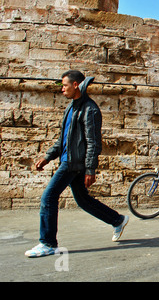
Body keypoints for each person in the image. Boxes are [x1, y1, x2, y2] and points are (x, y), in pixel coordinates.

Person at [25, 70, 129, 258]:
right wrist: (48, 157)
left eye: (65, 85)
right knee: (83, 200)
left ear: (76, 85)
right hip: (68, 160)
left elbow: (93, 142)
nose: (62, 89)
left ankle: (47, 243)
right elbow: (62, 140)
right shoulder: (71, 108)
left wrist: (90, 168)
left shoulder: (90, 109)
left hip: (74, 163)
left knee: (48, 197)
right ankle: (117, 219)